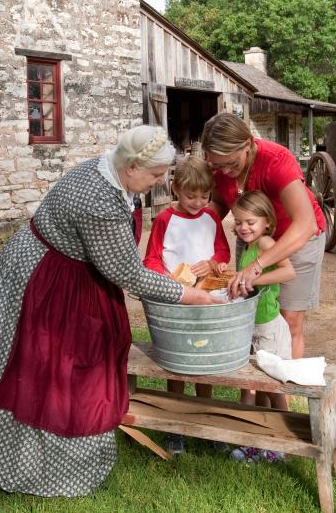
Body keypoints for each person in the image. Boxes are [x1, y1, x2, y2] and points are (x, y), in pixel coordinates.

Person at [0, 125, 220, 498]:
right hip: (49, 280)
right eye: (154, 175)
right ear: (133, 167)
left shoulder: (107, 171)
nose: (159, 183)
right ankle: (40, 466)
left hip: (62, 267)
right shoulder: (100, 203)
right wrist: (188, 295)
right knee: (47, 368)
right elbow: (127, 274)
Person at [201, 112, 326, 360]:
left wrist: (258, 266)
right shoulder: (219, 169)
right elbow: (217, 206)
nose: (225, 171)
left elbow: (305, 224)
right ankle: (259, 389)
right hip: (253, 239)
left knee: (288, 320)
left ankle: (288, 392)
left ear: (247, 144)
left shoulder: (276, 161)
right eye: (218, 165)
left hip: (296, 238)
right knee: (254, 314)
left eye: (232, 164)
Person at [142, 155, 230, 456]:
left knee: (205, 363)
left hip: (205, 300)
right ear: (175, 189)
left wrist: (213, 263)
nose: (198, 202)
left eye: (204, 196)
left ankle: (206, 421)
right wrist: (169, 279)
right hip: (175, 301)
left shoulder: (212, 217)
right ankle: (175, 426)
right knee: (176, 363)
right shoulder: (165, 219)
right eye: (191, 195)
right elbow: (151, 259)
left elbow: (222, 252)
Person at [230, 191, 295, 463]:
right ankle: (248, 439)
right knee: (248, 385)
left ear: (267, 222)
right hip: (250, 326)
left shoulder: (266, 243)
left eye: (250, 222)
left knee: (272, 386)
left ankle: (282, 441)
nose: (243, 227)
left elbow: (289, 272)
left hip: (268, 326)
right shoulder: (245, 247)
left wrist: (254, 279)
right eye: (238, 221)